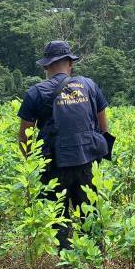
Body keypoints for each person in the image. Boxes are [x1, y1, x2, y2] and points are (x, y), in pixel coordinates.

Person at [18, 41, 111, 249]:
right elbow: (104, 129)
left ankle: (66, 264)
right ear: (70, 63)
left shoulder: (36, 92)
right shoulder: (89, 86)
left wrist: (32, 167)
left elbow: (25, 138)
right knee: (89, 212)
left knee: (58, 215)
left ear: (46, 67)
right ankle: (95, 259)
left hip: (54, 164)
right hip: (87, 161)